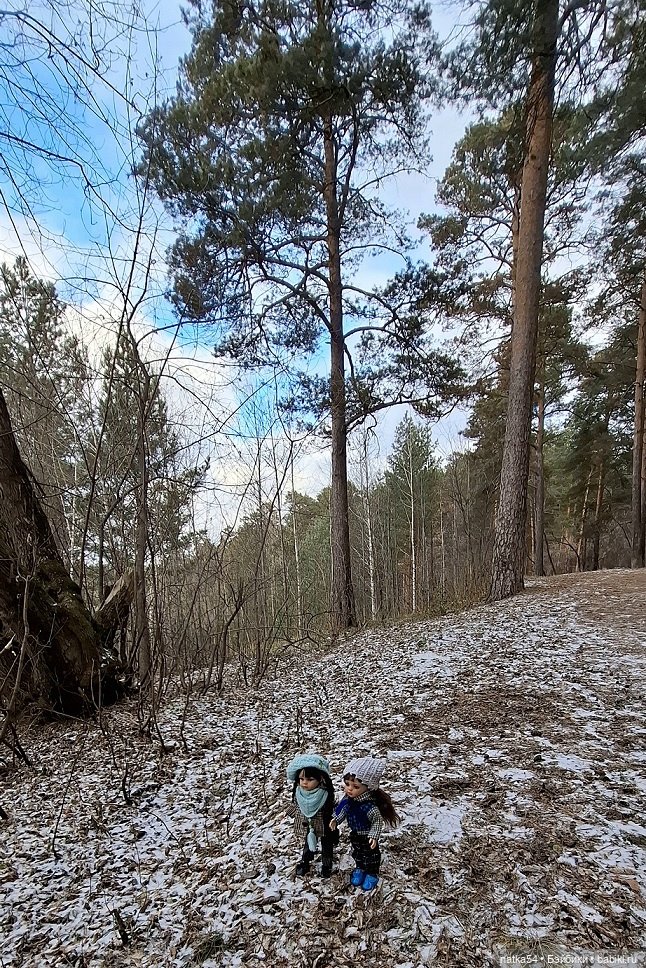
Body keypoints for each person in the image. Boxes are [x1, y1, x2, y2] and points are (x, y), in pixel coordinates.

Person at [329, 756, 399, 891]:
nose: (349, 789)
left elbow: (377, 821)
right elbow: (341, 811)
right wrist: (335, 820)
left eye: (355, 786)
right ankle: (360, 868)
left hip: (368, 836)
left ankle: (372, 872)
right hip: (355, 834)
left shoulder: (369, 806)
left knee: (371, 855)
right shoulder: (347, 800)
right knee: (358, 852)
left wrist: (374, 835)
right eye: (347, 784)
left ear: (369, 787)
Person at [286, 753, 336, 878]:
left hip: (324, 824)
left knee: (326, 844)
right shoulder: (298, 792)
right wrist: (290, 812)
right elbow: (296, 804)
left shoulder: (325, 793)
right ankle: (306, 861)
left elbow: (332, 807)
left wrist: (335, 819)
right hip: (307, 824)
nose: (304, 783)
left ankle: (327, 864)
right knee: (308, 843)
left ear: (320, 778)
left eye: (309, 779)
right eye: (302, 779)